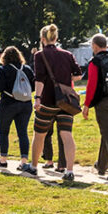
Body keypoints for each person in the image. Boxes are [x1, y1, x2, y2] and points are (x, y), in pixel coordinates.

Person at [28, 24, 80, 180]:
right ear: (56, 38)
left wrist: (37, 98)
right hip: (65, 102)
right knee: (67, 135)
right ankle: (69, 170)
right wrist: (64, 78)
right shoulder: (67, 55)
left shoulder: (39, 55)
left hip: (48, 101)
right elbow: (78, 75)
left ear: (42, 39)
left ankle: (34, 166)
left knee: (40, 134)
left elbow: (40, 79)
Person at [0, 46, 34, 170]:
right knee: (23, 132)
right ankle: (23, 162)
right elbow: (33, 86)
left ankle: (3, 160)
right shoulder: (26, 69)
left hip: (8, 103)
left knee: (4, 132)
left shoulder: (4, 69)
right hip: (26, 104)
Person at [83, 33, 108, 180]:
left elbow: (91, 85)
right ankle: (102, 166)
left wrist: (86, 105)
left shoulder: (95, 62)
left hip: (103, 103)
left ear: (95, 46)